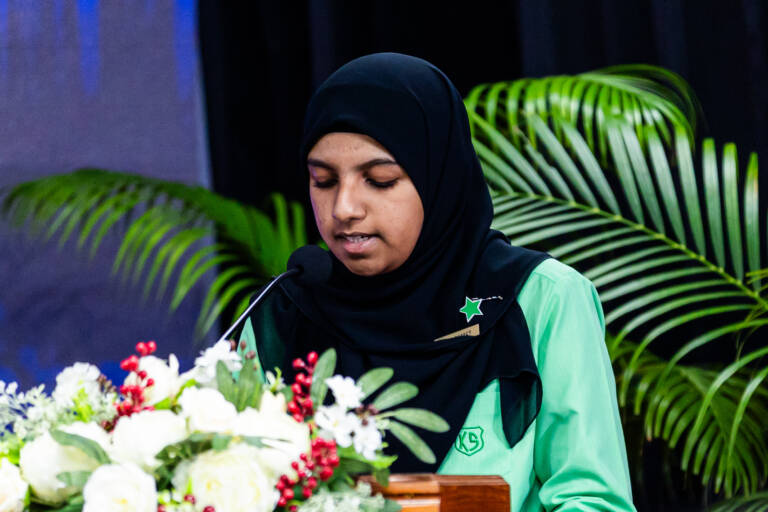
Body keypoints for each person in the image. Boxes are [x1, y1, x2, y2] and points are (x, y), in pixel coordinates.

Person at [238, 52, 637, 511]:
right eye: (323, 180)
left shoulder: (540, 298)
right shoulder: (282, 313)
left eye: (380, 180)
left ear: (438, 178)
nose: (344, 208)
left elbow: (593, 500)